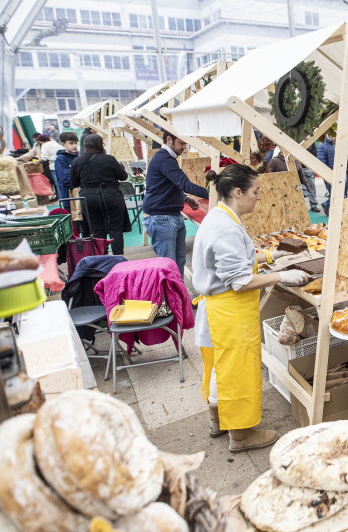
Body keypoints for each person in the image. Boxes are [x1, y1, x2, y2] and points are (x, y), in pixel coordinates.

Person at [193, 165, 309, 452]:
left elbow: (236, 262)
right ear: (237, 192)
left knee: (221, 369)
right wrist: (282, 275)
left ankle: (217, 419)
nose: (258, 197)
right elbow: (240, 281)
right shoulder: (225, 227)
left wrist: (271, 254)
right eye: (255, 192)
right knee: (239, 373)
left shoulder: (220, 217)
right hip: (229, 313)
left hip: (218, 309)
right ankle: (242, 434)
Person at [143, 132, 209, 275]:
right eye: (181, 143)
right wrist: (214, 194)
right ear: (168, 139)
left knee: (178, 261)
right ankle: (170, 296)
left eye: (186, 143)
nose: (184, 147)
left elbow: (168, 184)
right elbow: (185, 184)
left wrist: (185, 198)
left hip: (169, 216)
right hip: (161, 218)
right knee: (169, 266)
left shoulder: (167, 158)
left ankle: (177, 295)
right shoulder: (164, 159)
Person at [70, 134, 130, 255]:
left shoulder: (77, 161)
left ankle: (102, 259)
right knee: (115, 229)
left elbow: (74, 182)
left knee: (96, 229)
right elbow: (123, 177)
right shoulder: (109, 159)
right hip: (111, 195)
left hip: (88, 198)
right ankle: (118, 258)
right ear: (101, 144)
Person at [316, 131, 348, 214]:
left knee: (343, 194)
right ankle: (329, 206)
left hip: (344, 173)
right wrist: (328, 175)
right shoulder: (322, 146)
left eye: (336, 136)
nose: (335, 138)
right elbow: (321, 163)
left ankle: (331, 206)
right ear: (328, 135)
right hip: (331, 176)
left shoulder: (341, 144)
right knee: (335, 195)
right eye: (333, 136)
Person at [54, 132, 80, 206]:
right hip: (68, 195)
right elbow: (65, 178)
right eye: (71, 143)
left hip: (79, 193)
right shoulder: (61, 159)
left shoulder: (77, 156)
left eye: (76, 143)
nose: (74, 146)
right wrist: (79, 184)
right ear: (63, 144)